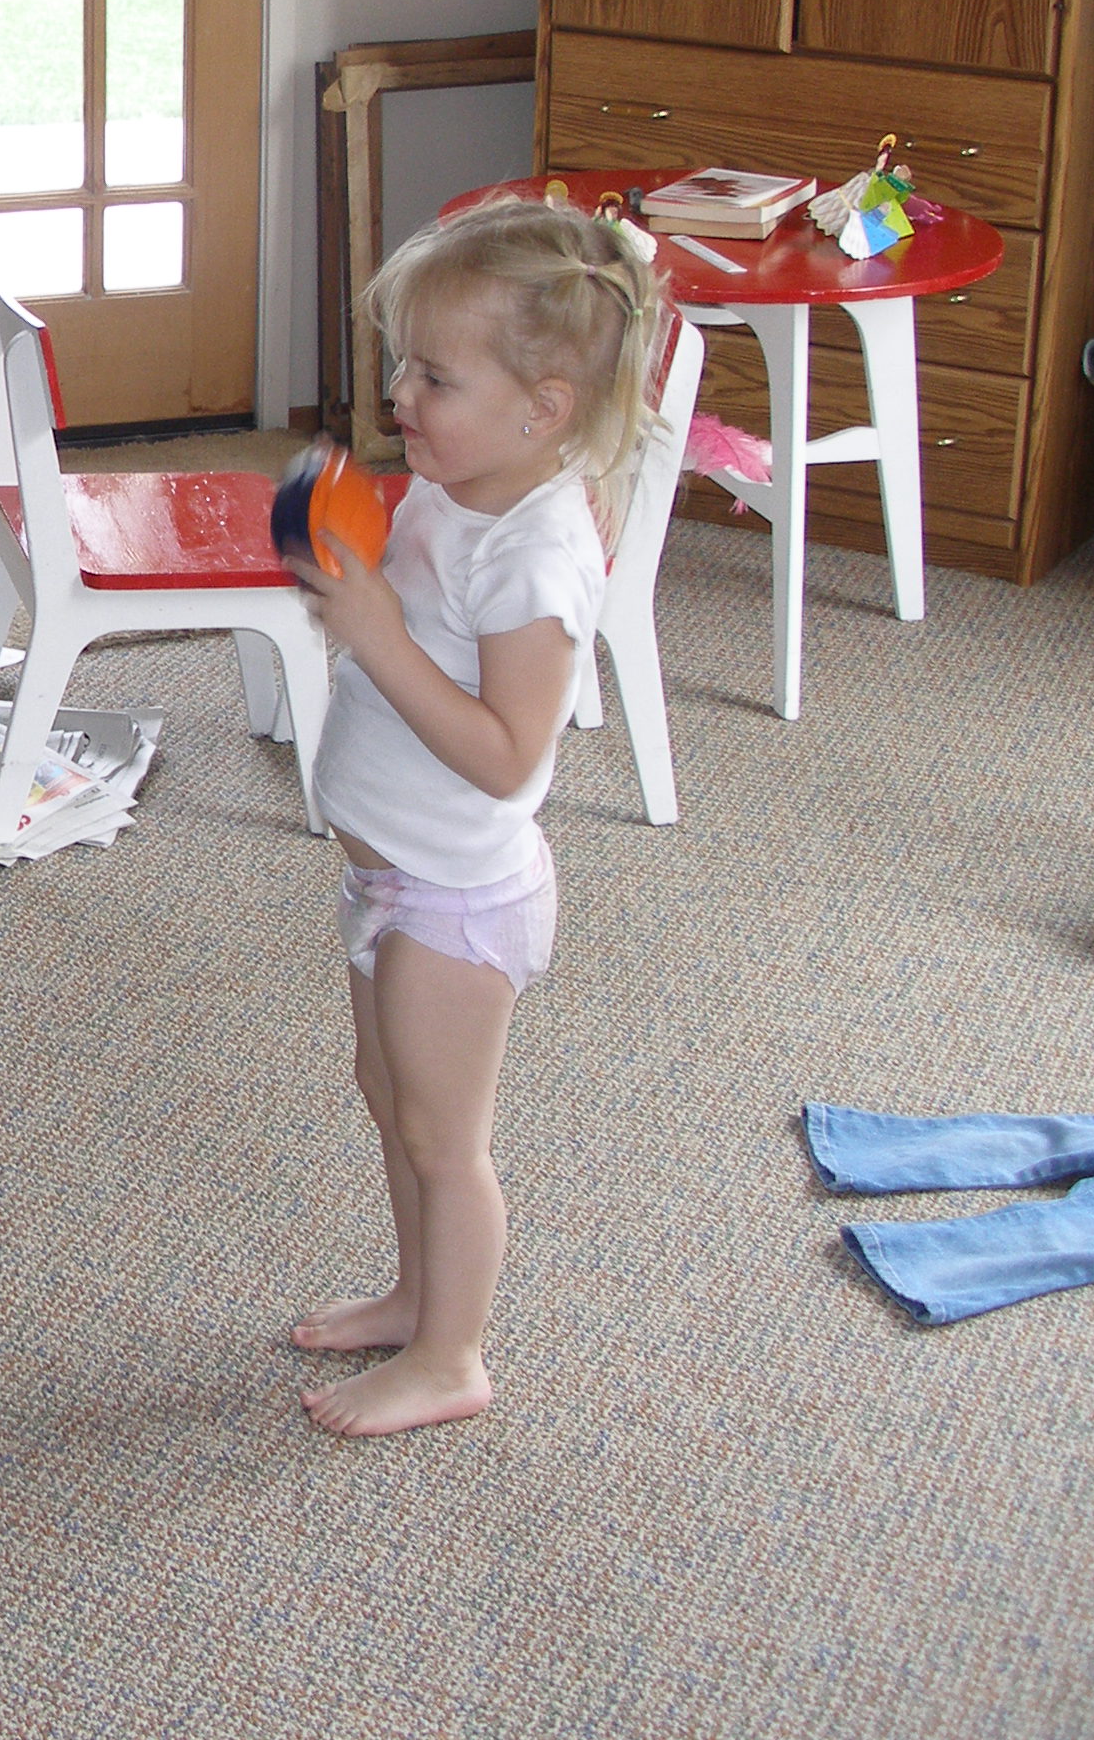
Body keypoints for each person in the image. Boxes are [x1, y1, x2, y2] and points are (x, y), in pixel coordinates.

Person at [280, 191, 664, 1435]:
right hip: (391, 880)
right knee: (388, 1098)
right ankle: (416, 1296)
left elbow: (507, 755)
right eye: (403, 364)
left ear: (542, 410)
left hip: (455, 896)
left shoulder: (539, 557)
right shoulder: (460, 484)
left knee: (449, 1139)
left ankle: (454, 1359)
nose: (400, 395)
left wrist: (380, 637)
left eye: (434, 377)